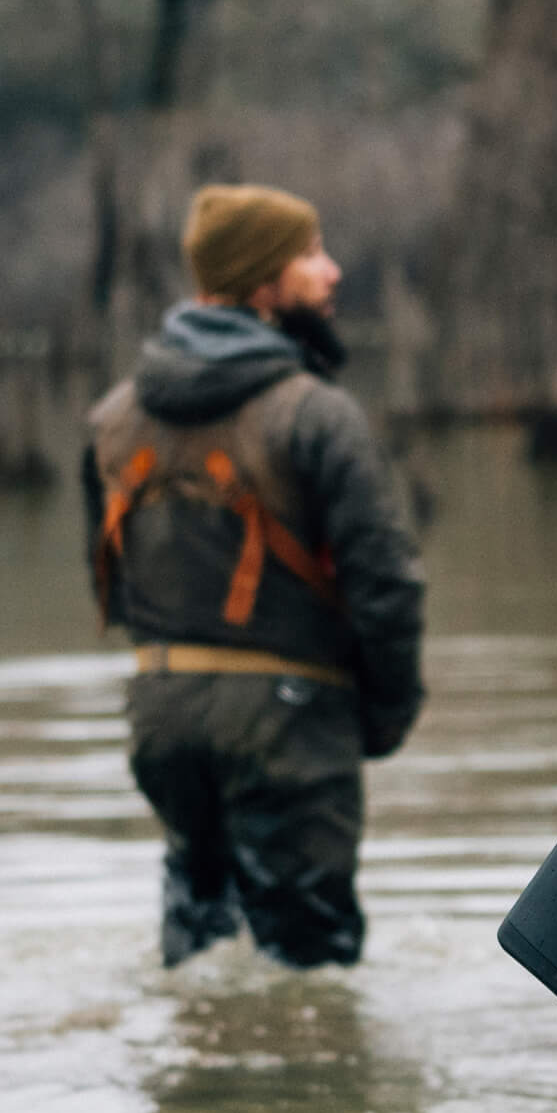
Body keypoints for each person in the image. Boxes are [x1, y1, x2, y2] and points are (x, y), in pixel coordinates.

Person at [84, 183, 424, 969]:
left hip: (161, 716)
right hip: (291, 726)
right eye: (307, 255)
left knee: (200, 947)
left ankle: (202, 1085)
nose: (331, 271)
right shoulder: (314, 413)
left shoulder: (112, 416)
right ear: (258, 280)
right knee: (311, 971)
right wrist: (384, 717)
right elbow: (387, 584)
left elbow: (111, 582)